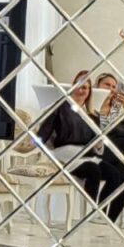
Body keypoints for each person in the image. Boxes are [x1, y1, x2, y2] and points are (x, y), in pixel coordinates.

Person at [37, 71, 106, 207]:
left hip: (87, 155)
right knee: (93, 170)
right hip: (66, 155)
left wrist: (99, 145)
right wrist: (38, 151)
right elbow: (42, 134)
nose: (81, 90)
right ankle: (91, 210)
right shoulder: (60, 107)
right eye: (78, 86)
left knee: (114, 174)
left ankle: (104, 213)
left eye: (85, 87)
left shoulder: (93, 116)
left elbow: (96, 145)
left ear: (89, 92)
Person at [93, 73, 124, 224]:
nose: (111, 89)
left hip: (114, 157)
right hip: (96, 153)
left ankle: (108, 218)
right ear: (97, 86)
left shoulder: (117, 109)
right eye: (107, 85)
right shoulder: (91, 105)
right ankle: (103, 214)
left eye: (114, 86)